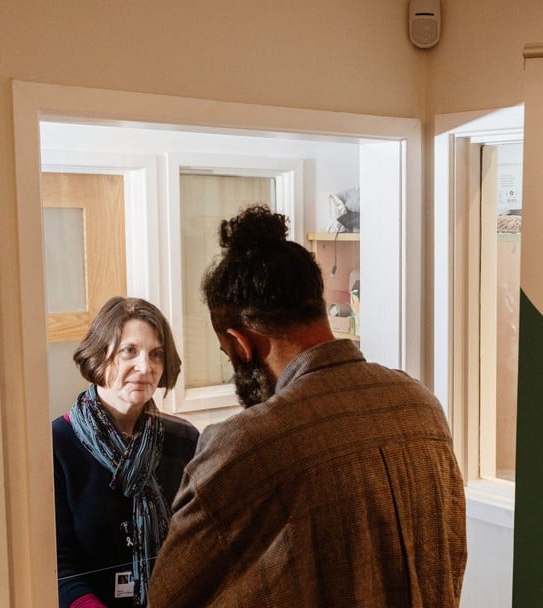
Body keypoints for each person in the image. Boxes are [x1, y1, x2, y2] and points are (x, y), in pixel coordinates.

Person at [148, 205, 467, 607]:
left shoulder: (244, 443)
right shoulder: (420, 406)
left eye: (227, 353)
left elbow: (169, 598)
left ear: (242, 343)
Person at [53, 296, 200, 607]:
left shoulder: (184, 439)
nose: (145, 367)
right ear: (99, 355)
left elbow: (200, 544)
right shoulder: (57, 444)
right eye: (129, 351)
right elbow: (58, 568)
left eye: (156, 354)